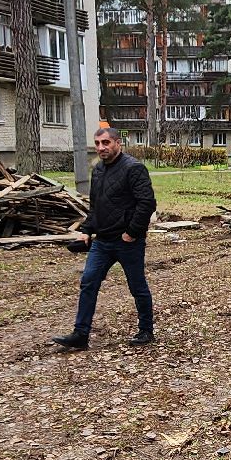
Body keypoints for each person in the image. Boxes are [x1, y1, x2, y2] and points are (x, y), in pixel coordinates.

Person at [53, 127, 156, 350]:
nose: (101, 147)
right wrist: (87, 230)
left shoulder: (134, 168)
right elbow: (96, 207)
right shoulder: (98, 170)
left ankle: (146, 330)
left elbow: (147, 203)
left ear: (118, 143)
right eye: (98, 143)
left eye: (106, 142)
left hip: (128, 242)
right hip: (102, 242)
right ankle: (81, 335)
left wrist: (132, 233)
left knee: (137, 286)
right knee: (88, 282)